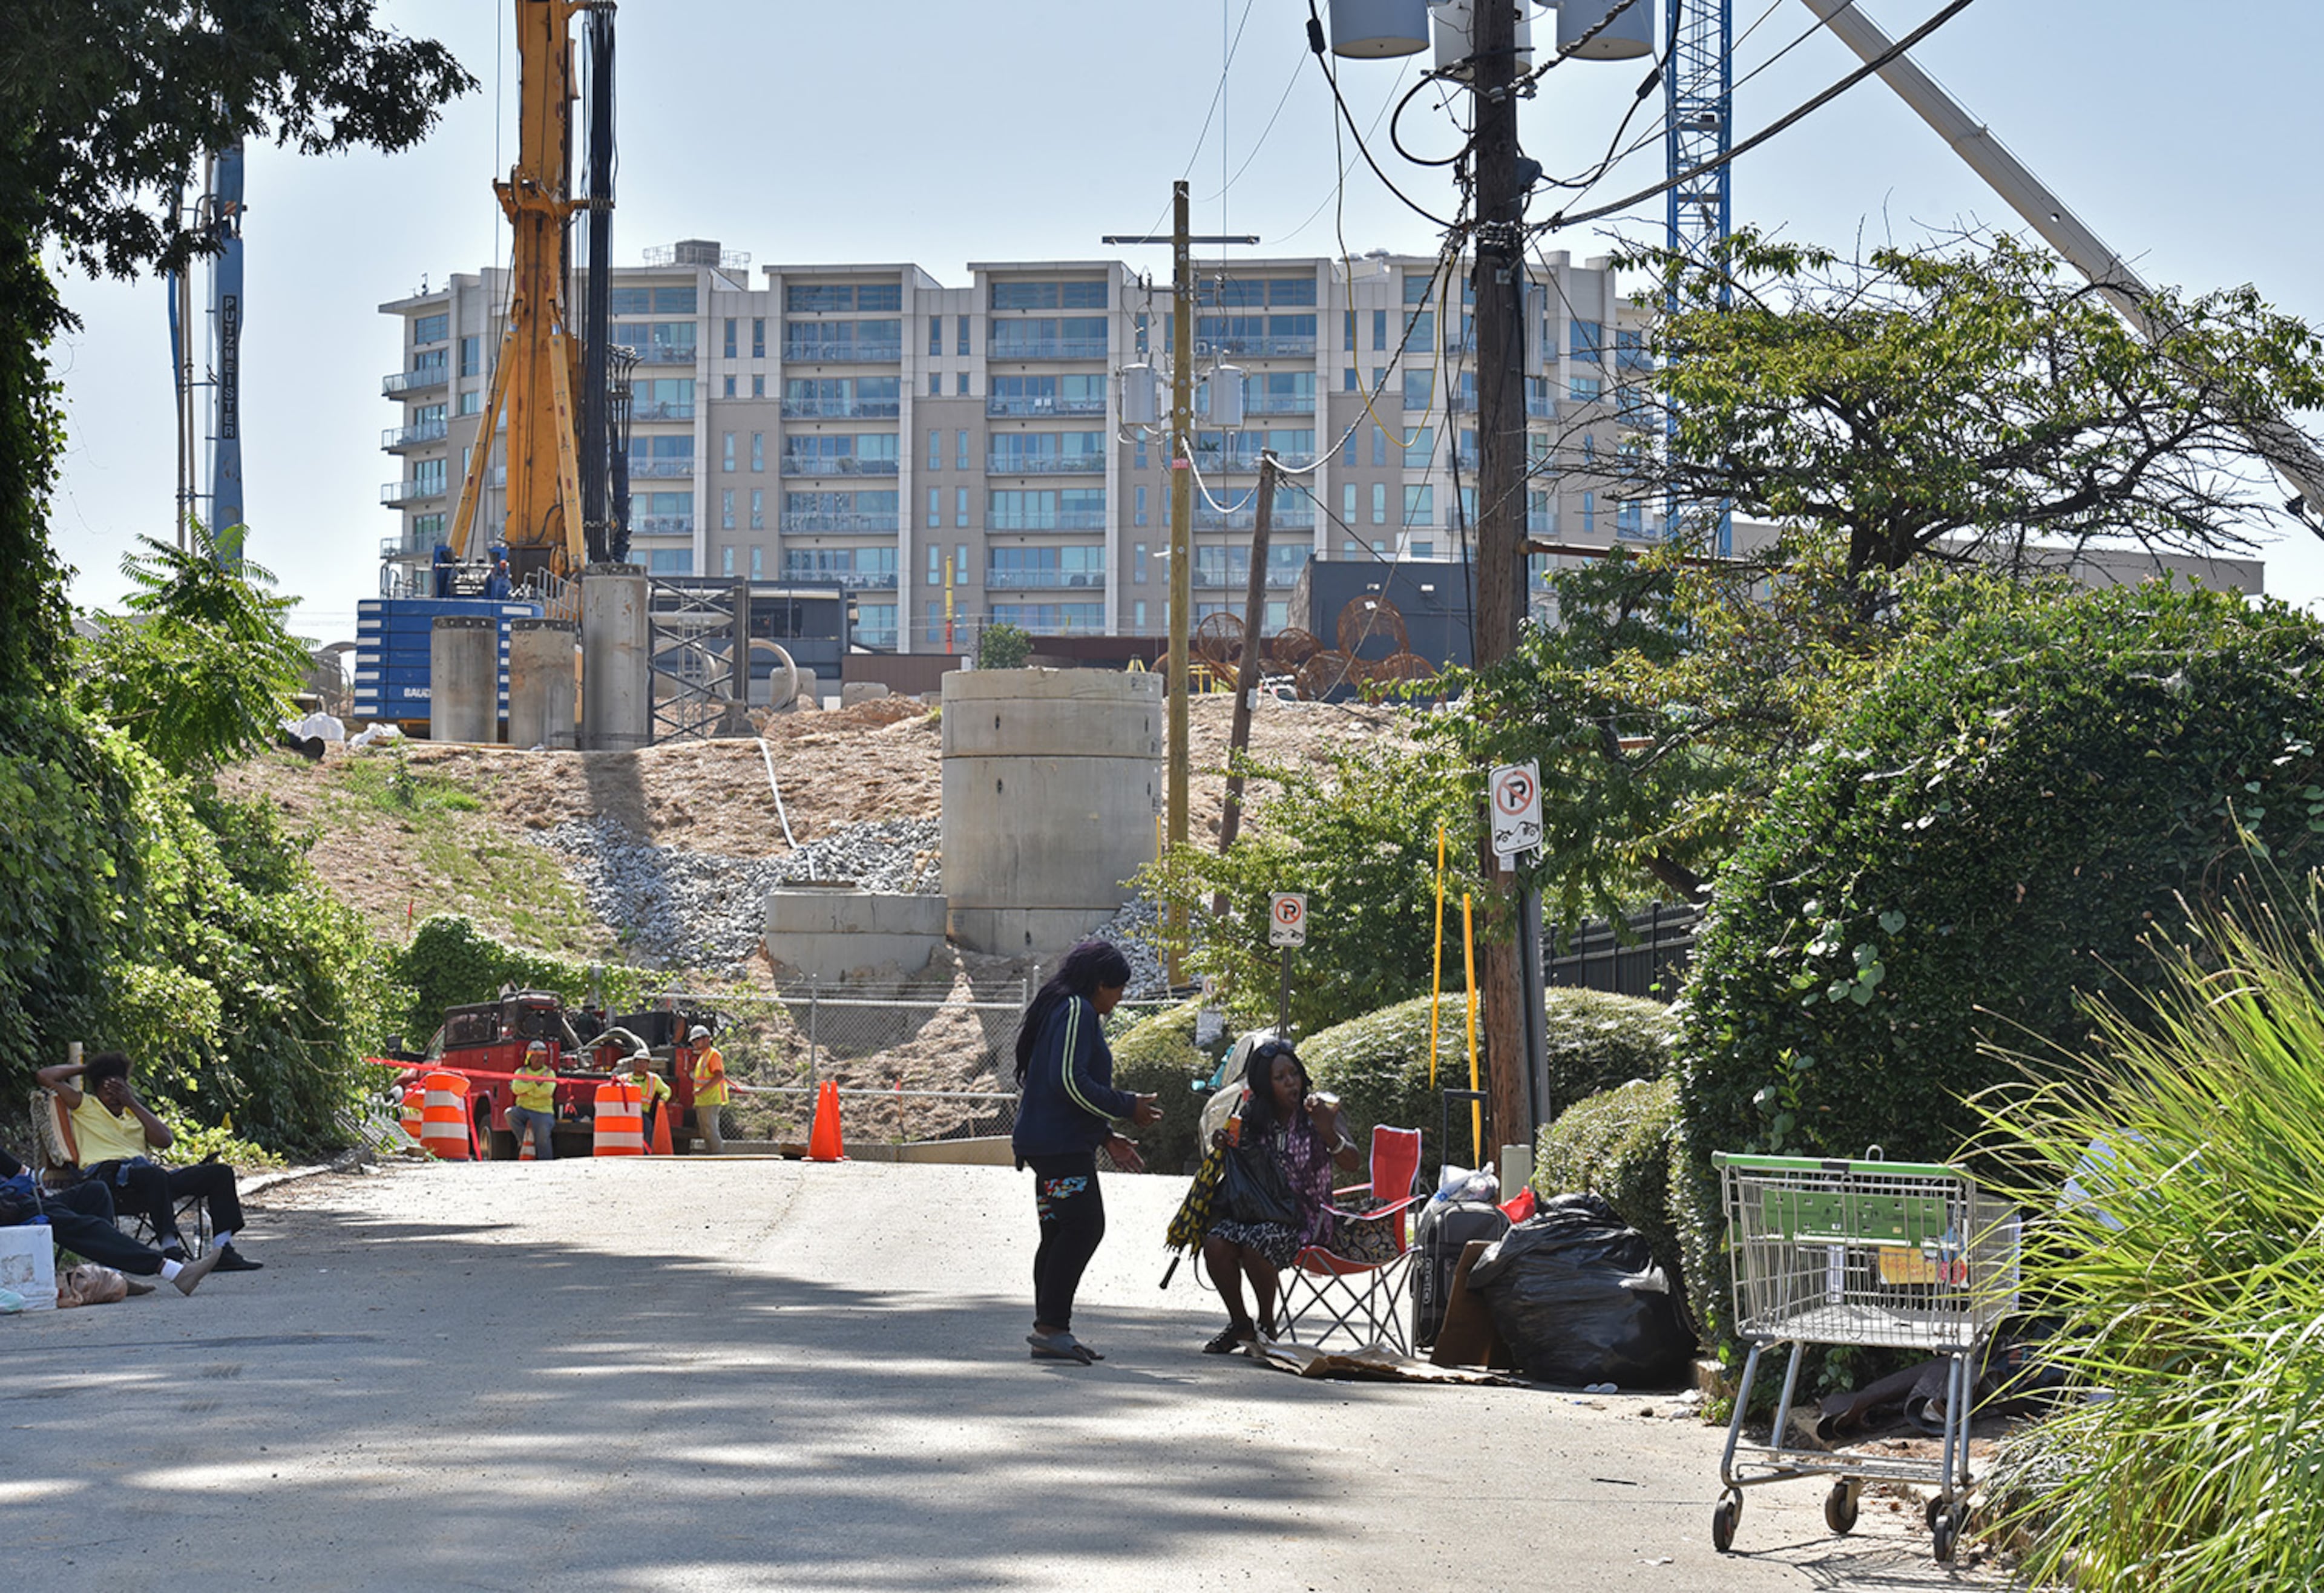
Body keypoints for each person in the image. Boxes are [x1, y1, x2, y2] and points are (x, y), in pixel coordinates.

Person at [1009, 940, 1162, 1366]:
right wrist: (1126, 1104)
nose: (1120, 998)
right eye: (1118, 989)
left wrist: (1105, 1136)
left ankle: (1050, 1330)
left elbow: (1064, 1090)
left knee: (1060, 1231)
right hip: (1058, 1147)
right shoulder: (1078, 1010)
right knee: (1084, 1227)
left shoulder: (1065, 1007)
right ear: (1099, 984)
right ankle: (1052, 1328)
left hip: (1050, 1144)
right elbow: (1069, 1082)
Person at [1198, 1038, 1362, 1354]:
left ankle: (1267, 1324)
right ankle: (1240, 1324)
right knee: (1215, 1243)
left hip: (1307, 1219)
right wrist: (1224, 1143)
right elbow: (1240, 1165)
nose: (1291, 1083)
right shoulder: (1253, 1117)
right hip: (1262, 1211)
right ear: (1265, 1085)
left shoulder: (1318, 1112)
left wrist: (1329, 1132)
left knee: (1256, 1241)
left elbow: (1353, 1163)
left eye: (1294, 1074)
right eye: (1280, 1078)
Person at [34, 1051, 263, 1272]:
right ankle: (170, 1248)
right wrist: (92, 1068)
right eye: (108, 1091)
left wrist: (131, 1102)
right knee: (154, 1175)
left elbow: (165, 1140)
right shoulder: (85, 1105)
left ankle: (222, 1250)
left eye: (120, 1089)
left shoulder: (135, 1113)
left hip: (150, 1181)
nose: (115, 1097)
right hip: (108, 1179)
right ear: (96, 1090)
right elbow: (45, 1076)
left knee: (219, 1173)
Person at [1, 1145, 223, 1295]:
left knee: (95, 1192)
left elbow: (23, 1174)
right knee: (79, 1224)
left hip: (18, 1201)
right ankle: (173, 1271)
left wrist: (39, 1184)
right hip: (13, 1210)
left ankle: (114, 1277)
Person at [508, 1041, 559, 1161]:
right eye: (536, 1056)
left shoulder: (549, 1073)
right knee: (510, 1114)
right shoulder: (521, 1072)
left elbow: (547, 1091)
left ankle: (545, 1162)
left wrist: (526, 1089)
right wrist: (536, 1085)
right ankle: (526, 1141)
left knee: (543, 1136)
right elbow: (516, 1089)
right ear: (529, 1057)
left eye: (542, 1056)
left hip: (543, 1112)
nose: (540, 1059)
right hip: (523, 1109)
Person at [688, 1025, 728, 1155]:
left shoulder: (713, 1055)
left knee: (711, 1130)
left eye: (697, 1040)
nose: (695, 1043)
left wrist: (702, 1091)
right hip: (704, 1100)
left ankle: (718, 1156)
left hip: (711, 1099)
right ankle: (712, 1156)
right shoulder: (704, 1056)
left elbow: (718, 1076)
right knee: (706, 1131)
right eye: (693, 1041)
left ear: (707, 1039)